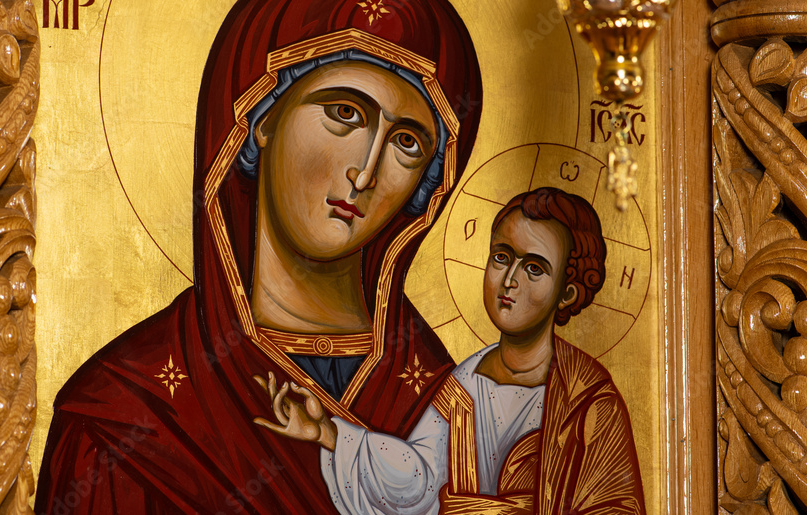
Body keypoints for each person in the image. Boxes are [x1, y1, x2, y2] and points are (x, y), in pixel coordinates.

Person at [35, 0, 483, 513]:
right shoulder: (126, 415)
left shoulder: (449, 405)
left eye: (407, 143)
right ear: (261, 117)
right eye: (344, 113)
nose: (366, 173)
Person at [255, 187, 645, 514]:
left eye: (534, 269)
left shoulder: (589, 402)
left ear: (568, 293)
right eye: (502, 257)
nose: (509, 281)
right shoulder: (464, 385)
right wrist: (329, 433)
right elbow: (419, 480)